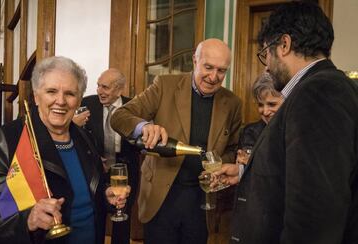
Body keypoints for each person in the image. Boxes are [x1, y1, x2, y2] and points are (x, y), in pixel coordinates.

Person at [214, 1, 358, 243]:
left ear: (284, 45)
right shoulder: (326, 88)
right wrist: (244, 172)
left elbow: (314, 212)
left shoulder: (318, 93)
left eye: (266, 55)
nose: (267, 69)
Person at [0, 56, 129, 244]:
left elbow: (88, 196)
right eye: (51, 91)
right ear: (36, 95)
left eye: (70, 94)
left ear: (79, 99)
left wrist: (106, 196)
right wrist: (27, 221)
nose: (61, 101)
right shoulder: (9, 140)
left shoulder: (84, 138)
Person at [110, 38, 242, 244]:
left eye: (221, 71)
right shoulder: (165, 85)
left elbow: (233, 148)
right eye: (208, 67)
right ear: (195, 61)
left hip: (202, 201)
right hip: (160, 198)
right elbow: (119, 116)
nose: (214, 77)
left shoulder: (232, 103)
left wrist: (221, 164)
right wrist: (144, 127)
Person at [73, 68, 139, 244]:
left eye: (105, 87)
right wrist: (75, 125)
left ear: (119, 90)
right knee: (97, 217)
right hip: (97, 172)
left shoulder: (134, 106)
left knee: (122, 218)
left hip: (125, 171)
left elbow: (141, 140)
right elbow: (76, 138)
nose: (99, 91)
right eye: (98, 86)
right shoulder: (87, 104)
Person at [236, 72, 283, 165]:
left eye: (272, 104)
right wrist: (241, 168)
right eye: (260, 105)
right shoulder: (249, 132)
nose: (265, 112)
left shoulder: (297, 133)